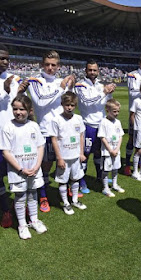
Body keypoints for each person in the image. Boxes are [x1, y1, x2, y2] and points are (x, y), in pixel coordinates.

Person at [28, 50, 75, 213]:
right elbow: (40, 102)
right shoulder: (35, 81)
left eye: (53, 65)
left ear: (58, 66)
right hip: (46, 131)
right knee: (45, 166)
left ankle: (66, 189)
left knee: (66, 162)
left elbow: (70, 103)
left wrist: (71, 88)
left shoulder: (63, 81)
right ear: (42, 64)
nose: (50, 68)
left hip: (64, 131)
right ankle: (43, 196)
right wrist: (61, 89)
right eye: (47, 64)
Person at [0, 95, 47, 239]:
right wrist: (20, 169)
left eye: (22, 109)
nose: (18, 112)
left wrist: (37, 165)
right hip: (18, 171)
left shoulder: (34, 125)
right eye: (15, 109)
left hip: (34, 169)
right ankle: (22, 224)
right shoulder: (8, 127)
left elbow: (40, 146)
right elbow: (6, 152)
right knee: (20, 196)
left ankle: (34, 220)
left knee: (33, 194)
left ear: (29, 110)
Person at [74, 59, 116, 194]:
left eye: (95, 70)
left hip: (101, 125)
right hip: (88, 125)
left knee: (99, 152)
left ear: (98, 71)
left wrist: (109, 92)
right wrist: (104, 92)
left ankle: (99, 176)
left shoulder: (99, 85)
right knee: (85, 155)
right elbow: (86, 102)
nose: (92, 72)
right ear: (86, 71)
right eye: (90, 70)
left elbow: (106, 102)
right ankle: (82, 181)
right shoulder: (80, 86)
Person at [0, 44, 29, 228]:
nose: (5, 61)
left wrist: (20, 93)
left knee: (18, 172)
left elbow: (16, 105)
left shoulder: (13, 79)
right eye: (1, 58)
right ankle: (5, 210)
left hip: (14, 135)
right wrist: (4, 90)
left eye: (7, 58)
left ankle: (19, 206)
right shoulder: (7, 82)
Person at [48, 92, 87, 215]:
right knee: (63, 180)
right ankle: (66, 203)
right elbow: (54, 139)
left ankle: (75, 200)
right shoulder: (56, 120)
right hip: (64, 157)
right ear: (62, 104)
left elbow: (81, 136)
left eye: (72, 105)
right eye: (67, 105)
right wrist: (59, 158)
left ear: (75, 105)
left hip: (76, 156)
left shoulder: (79, 119)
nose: (69, 107)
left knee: (75, 179)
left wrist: (81, 153)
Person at [97, 99, 125, 197]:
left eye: (118, 111)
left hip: (116, 151)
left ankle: (114, 184)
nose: (116, 113)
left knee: (115, 168)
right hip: (107, 151)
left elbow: (121, 136)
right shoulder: (103, 122)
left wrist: (117, 149)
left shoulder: (118, 122)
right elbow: (102, 137)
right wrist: (110, 150)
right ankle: (105, 188)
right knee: (106, 169)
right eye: (114, 111)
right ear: (107, 110)